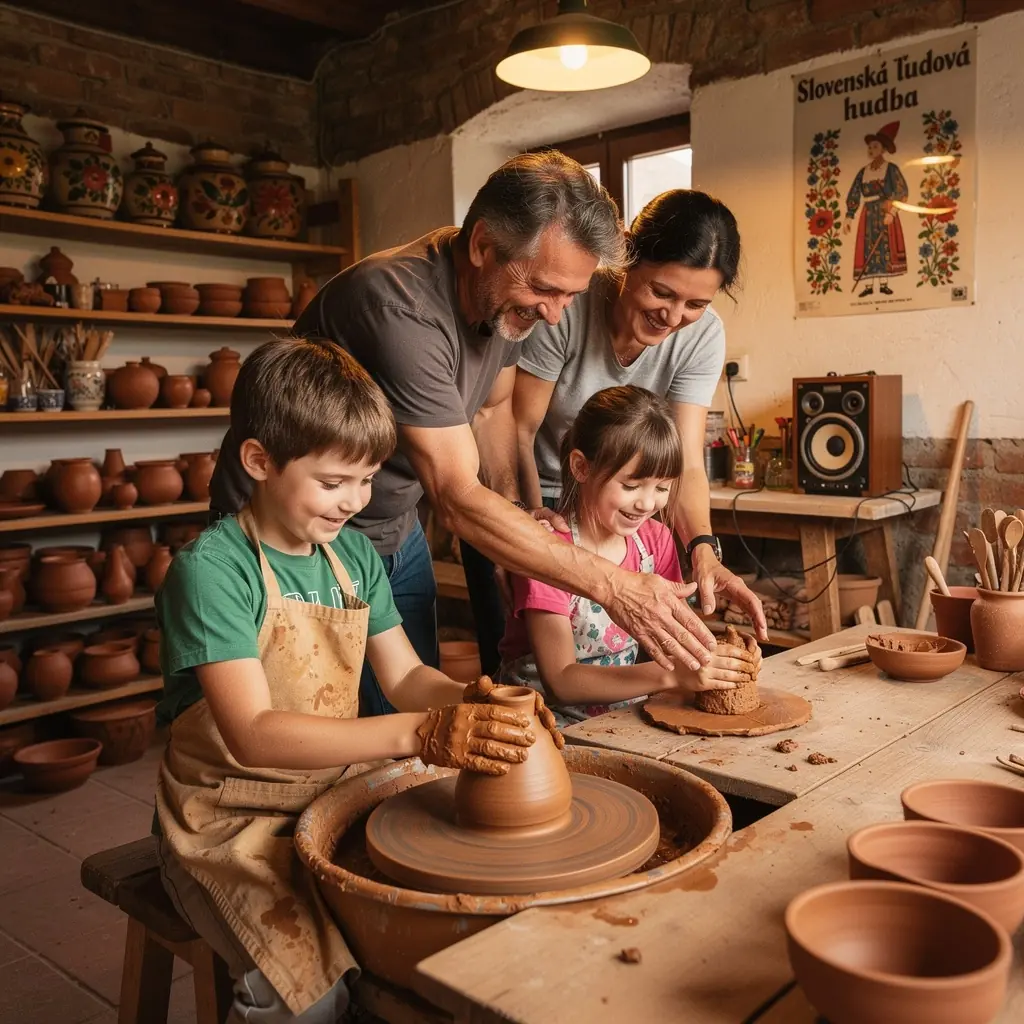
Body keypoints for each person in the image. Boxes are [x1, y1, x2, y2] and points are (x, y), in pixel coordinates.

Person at [209, 153, 723, 720]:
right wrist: (616, 586)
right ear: (482, 246)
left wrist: (519, 516)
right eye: (547, 290)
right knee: (290, 718)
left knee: (405, 700)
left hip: (387, 530)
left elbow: (495, 411)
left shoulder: (501, 299)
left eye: (571, 297)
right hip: (284, 534)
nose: (555, 316)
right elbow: (454, 493)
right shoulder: (399, 306)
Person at [154, 338, 555, 1024]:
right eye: (333, 482)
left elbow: (405, 676)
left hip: (331, 789)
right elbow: (252, 735)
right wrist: (424, 734)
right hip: (226, 818)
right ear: (259, 462)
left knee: (422, 929)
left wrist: (474, 702)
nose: (354, 501)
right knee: (306, 994)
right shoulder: (214, 572)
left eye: (367, 479)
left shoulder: (353, 558)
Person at [496, 189, 767, 678]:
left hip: (617, 501)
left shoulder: (701, 336)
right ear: (625, 256)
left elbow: (683, 462)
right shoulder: (569, 306)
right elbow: (518, 427)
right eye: (661, 292)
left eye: (696, 303)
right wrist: (528, 526)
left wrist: (703, 550)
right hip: (537, 489)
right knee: (532, 657)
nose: (674, 316)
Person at [499, 385, 760, 726]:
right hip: (542, 722)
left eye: (662, 488)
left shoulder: (655, 540)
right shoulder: (548, 551)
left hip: (621, 714)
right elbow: (561, 681)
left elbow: (674, 639)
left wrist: (724, 655)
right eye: (631, 485)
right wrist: (673, 677)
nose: (647, 504)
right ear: (581, 467)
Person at [843, 121, 909, 298]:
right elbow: (855, 193)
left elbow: (902, 191)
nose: (871, 149)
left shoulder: (891, 169)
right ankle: (869, 285)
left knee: (884, 247)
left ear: (883, 149)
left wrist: (892, 213)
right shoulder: (863, 172)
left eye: (875, 146)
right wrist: (849, 216)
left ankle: (884, 283)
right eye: (869, 146)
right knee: (868, 247)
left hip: (885, 211)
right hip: (868, 213)